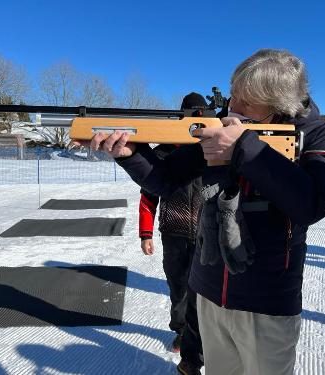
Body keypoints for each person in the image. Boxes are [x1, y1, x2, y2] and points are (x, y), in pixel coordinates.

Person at [84, 48, 325, 375]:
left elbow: (311, 204)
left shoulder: (322, 135)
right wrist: (130, 153)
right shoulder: (224, 129)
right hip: (207, 292)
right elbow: (165, 181)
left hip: (267, 305)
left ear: (279, 105)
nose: (233, 108)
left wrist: (244, 149)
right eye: (234, 96)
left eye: (247, 102)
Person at [139, 92, 205, 374]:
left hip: (207, 232)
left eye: (199, 115)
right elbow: (148, 196)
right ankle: (180, 329)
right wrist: (146, 233)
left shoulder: (212, 147)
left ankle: (201, 338)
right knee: (178, 286)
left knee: (203, 291)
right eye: (190, 114)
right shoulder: (165, 150)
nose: (194, 119)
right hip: (174, 231)